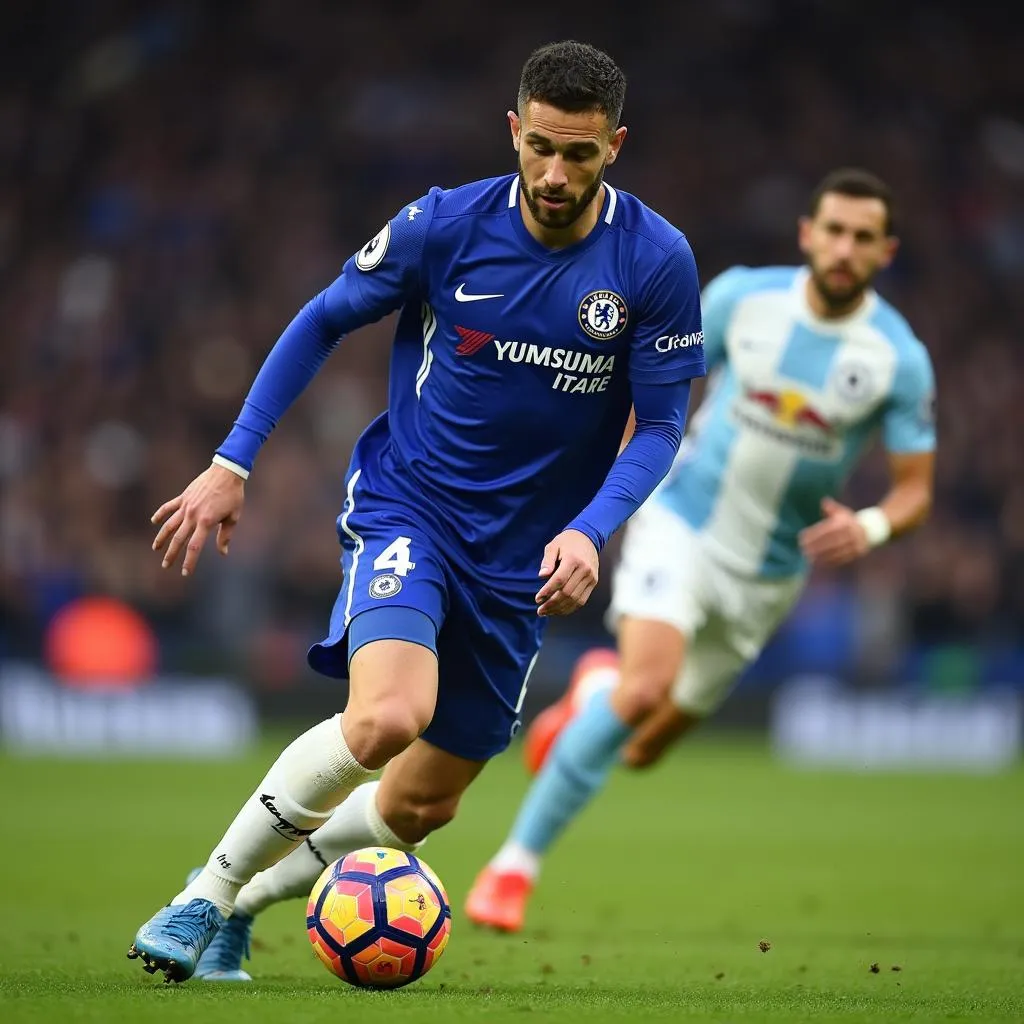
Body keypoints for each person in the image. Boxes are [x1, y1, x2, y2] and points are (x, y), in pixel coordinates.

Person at [127, 39, 706, 983]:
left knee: (420, 807)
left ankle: (251, 901)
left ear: (616, 147)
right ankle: (204, 898)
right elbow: (321, 319)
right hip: (416, 508)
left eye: (581, 155)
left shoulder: (655, 260)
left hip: (527, 562)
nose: (555, 175)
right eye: (541, 148)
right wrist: (234, 459)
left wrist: (590, 530)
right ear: (514, 130)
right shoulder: (443, 226)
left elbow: (662, 425)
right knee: (388, 718)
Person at [463, 167, 938, 933]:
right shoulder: (740, 299)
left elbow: (916, 490)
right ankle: (513, 868)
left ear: (886, 251)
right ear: (806, 234)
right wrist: (613, 501)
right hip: (681, 524)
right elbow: (652, 400)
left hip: (770, 577)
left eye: (863, 237)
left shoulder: (897, 359)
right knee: (645, 689)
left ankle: (591, 694)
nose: (845, 248)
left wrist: (873, 525)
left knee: (644, 745)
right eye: (834, 230)